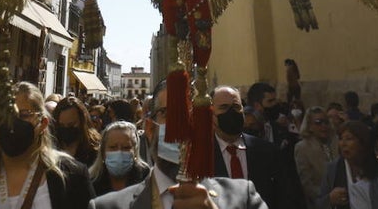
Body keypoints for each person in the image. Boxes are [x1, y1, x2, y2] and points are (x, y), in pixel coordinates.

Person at [90, 79, 265, 209]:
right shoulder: (106, 207)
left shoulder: (243, 197)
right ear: (150, 129)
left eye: (193, 116)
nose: (182, 127)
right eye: (169, 114)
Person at [0, 81, 92, 209]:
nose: (12, 122)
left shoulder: (72, 177)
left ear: (43, 123)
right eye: (6, 115)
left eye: (24, 115)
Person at [210, 85, 289, 209]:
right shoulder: (201, 156)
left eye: (236, 107)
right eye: (224, 107)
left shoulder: (269, 152)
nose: (231, 112)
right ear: (211, 114)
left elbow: (288, 198)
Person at [317, 121, 375, 209]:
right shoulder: (333, 169)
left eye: (349, 139)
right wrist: (330, 199)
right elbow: (318, 204)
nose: (343, 144)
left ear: (362, 143)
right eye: (340, 138)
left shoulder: (376, 166)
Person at [89, 120, 149, 196]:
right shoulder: (90, 183)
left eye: (126, 147)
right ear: (103, 152)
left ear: (135, 151)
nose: (119, 152)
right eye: (113, 147)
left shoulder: (147, 179)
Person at [294, 106, 337, 208]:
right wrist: (328, 196)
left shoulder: (335, 142)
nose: (323, 126)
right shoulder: (303, 147)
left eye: (326, 122)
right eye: (318, 122)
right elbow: (306, 183)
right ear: (309, 126)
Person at [52, 97, 100, 168]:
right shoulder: (51, 145)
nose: (66, 129)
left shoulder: (94, 149)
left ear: (82, 122)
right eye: (61, 125)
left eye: (71, 125)